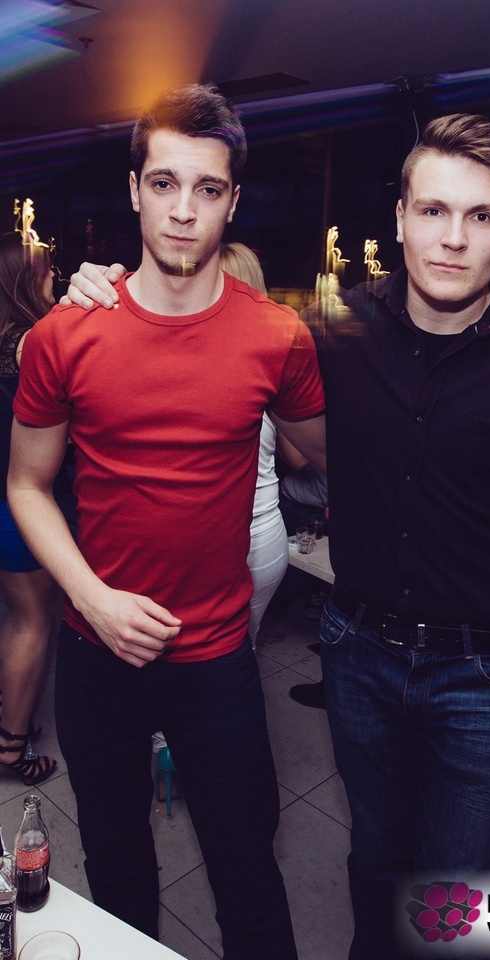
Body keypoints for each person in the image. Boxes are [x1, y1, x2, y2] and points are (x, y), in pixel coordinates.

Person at [61, 112, 490, 960]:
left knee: (463, 902)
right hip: (360, 655)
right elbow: (204, 323)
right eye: (433, 210)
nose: (452, 238)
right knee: (376, 868)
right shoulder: (334, 334)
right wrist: (99, 285)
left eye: (480, 216)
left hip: (486, 675)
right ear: (400, 217)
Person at [8, 83, 325, 960]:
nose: (184, 210)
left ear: (233, 199)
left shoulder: (277, 337)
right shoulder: (66, 335)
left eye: (207, 188)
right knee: (117, 873)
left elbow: (336, 455)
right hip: (94, 653)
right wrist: (93, 597)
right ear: (135, 189)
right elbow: (27, 486)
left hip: (216, 658)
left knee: (249, 880)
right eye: (164, 183)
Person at [0, 231, 57, 785]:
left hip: (2, 501)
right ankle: (11, 747)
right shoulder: (29, 343)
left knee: (18, 618)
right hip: (16, 505)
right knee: (33, 623)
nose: (54, 277)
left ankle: (7, 720)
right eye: (45, 270)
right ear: (26, 281)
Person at [219, 241, 290, 644]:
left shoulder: (274, 359)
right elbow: (298, 456)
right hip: (264, 532)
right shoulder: (274, 358)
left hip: (250, 536)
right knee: (243, 647)